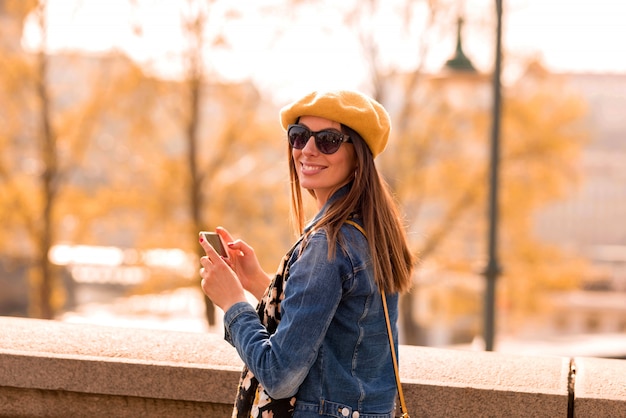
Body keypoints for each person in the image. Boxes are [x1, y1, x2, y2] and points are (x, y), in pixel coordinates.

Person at [199, 90, 414, 418]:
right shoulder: (369, 231)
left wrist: (233, 304)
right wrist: (260, 283)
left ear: (358, 154)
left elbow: (279, 376)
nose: (308, 150)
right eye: (299, 137)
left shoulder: (328, 244)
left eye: (327, 140)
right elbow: (333, 323)